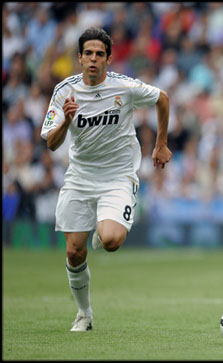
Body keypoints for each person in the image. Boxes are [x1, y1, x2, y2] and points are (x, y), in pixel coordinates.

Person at [40, 27, 172, 331]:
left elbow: (162, 98)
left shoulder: (124, 87)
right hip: (80, 177)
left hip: (117, 176)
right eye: (88, 53)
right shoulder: (64, 91)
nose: (93, 59)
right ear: (79, 57)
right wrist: (67, 121)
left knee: (110, 241)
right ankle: (84, 314)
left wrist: (161, 143)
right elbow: (51, 142)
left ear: (109, 59)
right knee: (74, 251)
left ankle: (105, 227)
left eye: (100, 54)